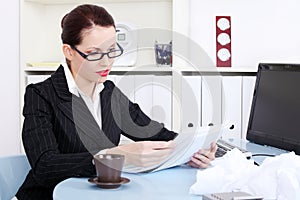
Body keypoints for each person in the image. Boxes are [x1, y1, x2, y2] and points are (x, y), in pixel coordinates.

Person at [16, 4, 217, 200]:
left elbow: (156, 134)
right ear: (69, 51)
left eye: (112, 50)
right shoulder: (40, 95)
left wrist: (192, 151)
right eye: (94, 53)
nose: (106, 62)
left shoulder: (110, 92)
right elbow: (44, 165)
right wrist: (114, 156)